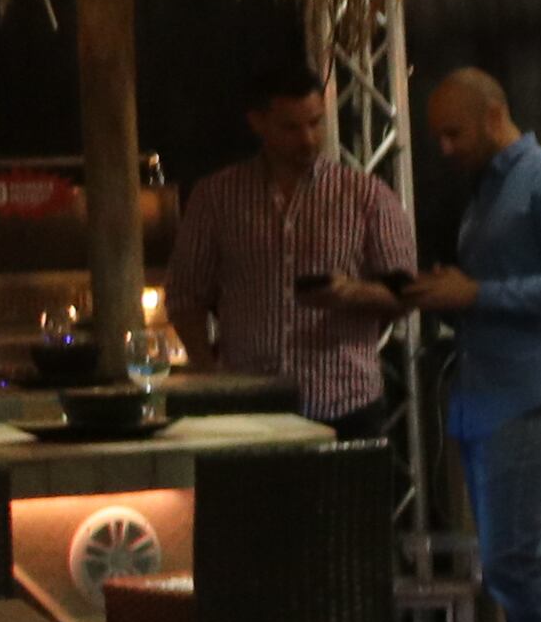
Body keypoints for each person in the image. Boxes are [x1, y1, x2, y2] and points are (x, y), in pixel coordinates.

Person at [416, 66, 541, 622]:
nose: (445, 149)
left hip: (528, 395)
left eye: (454, 133)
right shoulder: (489, 192)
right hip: (488, 397)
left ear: (494, 116)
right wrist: (446, 295)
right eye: (438, 137)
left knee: (515, 562)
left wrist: (474, 294)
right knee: (509, 566)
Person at [166, 56, 415, 430]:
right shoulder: (217, 197)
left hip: (344, 401)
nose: (308, 139)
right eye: (291, 128)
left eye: (316, 123)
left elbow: (408, 293)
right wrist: (207, 369)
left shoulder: (367, 195)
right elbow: (185, 295)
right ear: (257, 123)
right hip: (248, 403)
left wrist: (352, 293)